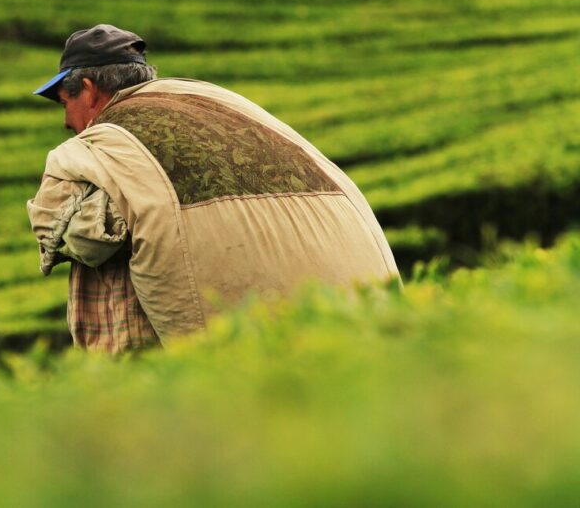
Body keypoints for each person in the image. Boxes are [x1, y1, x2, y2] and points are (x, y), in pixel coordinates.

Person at [27, 24, 401, 353]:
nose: (66, 121)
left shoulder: (106, 141)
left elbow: (61, 228)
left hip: (219, 348)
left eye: (66, 102)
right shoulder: (216, 105)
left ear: (89, 91)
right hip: (355, 312)